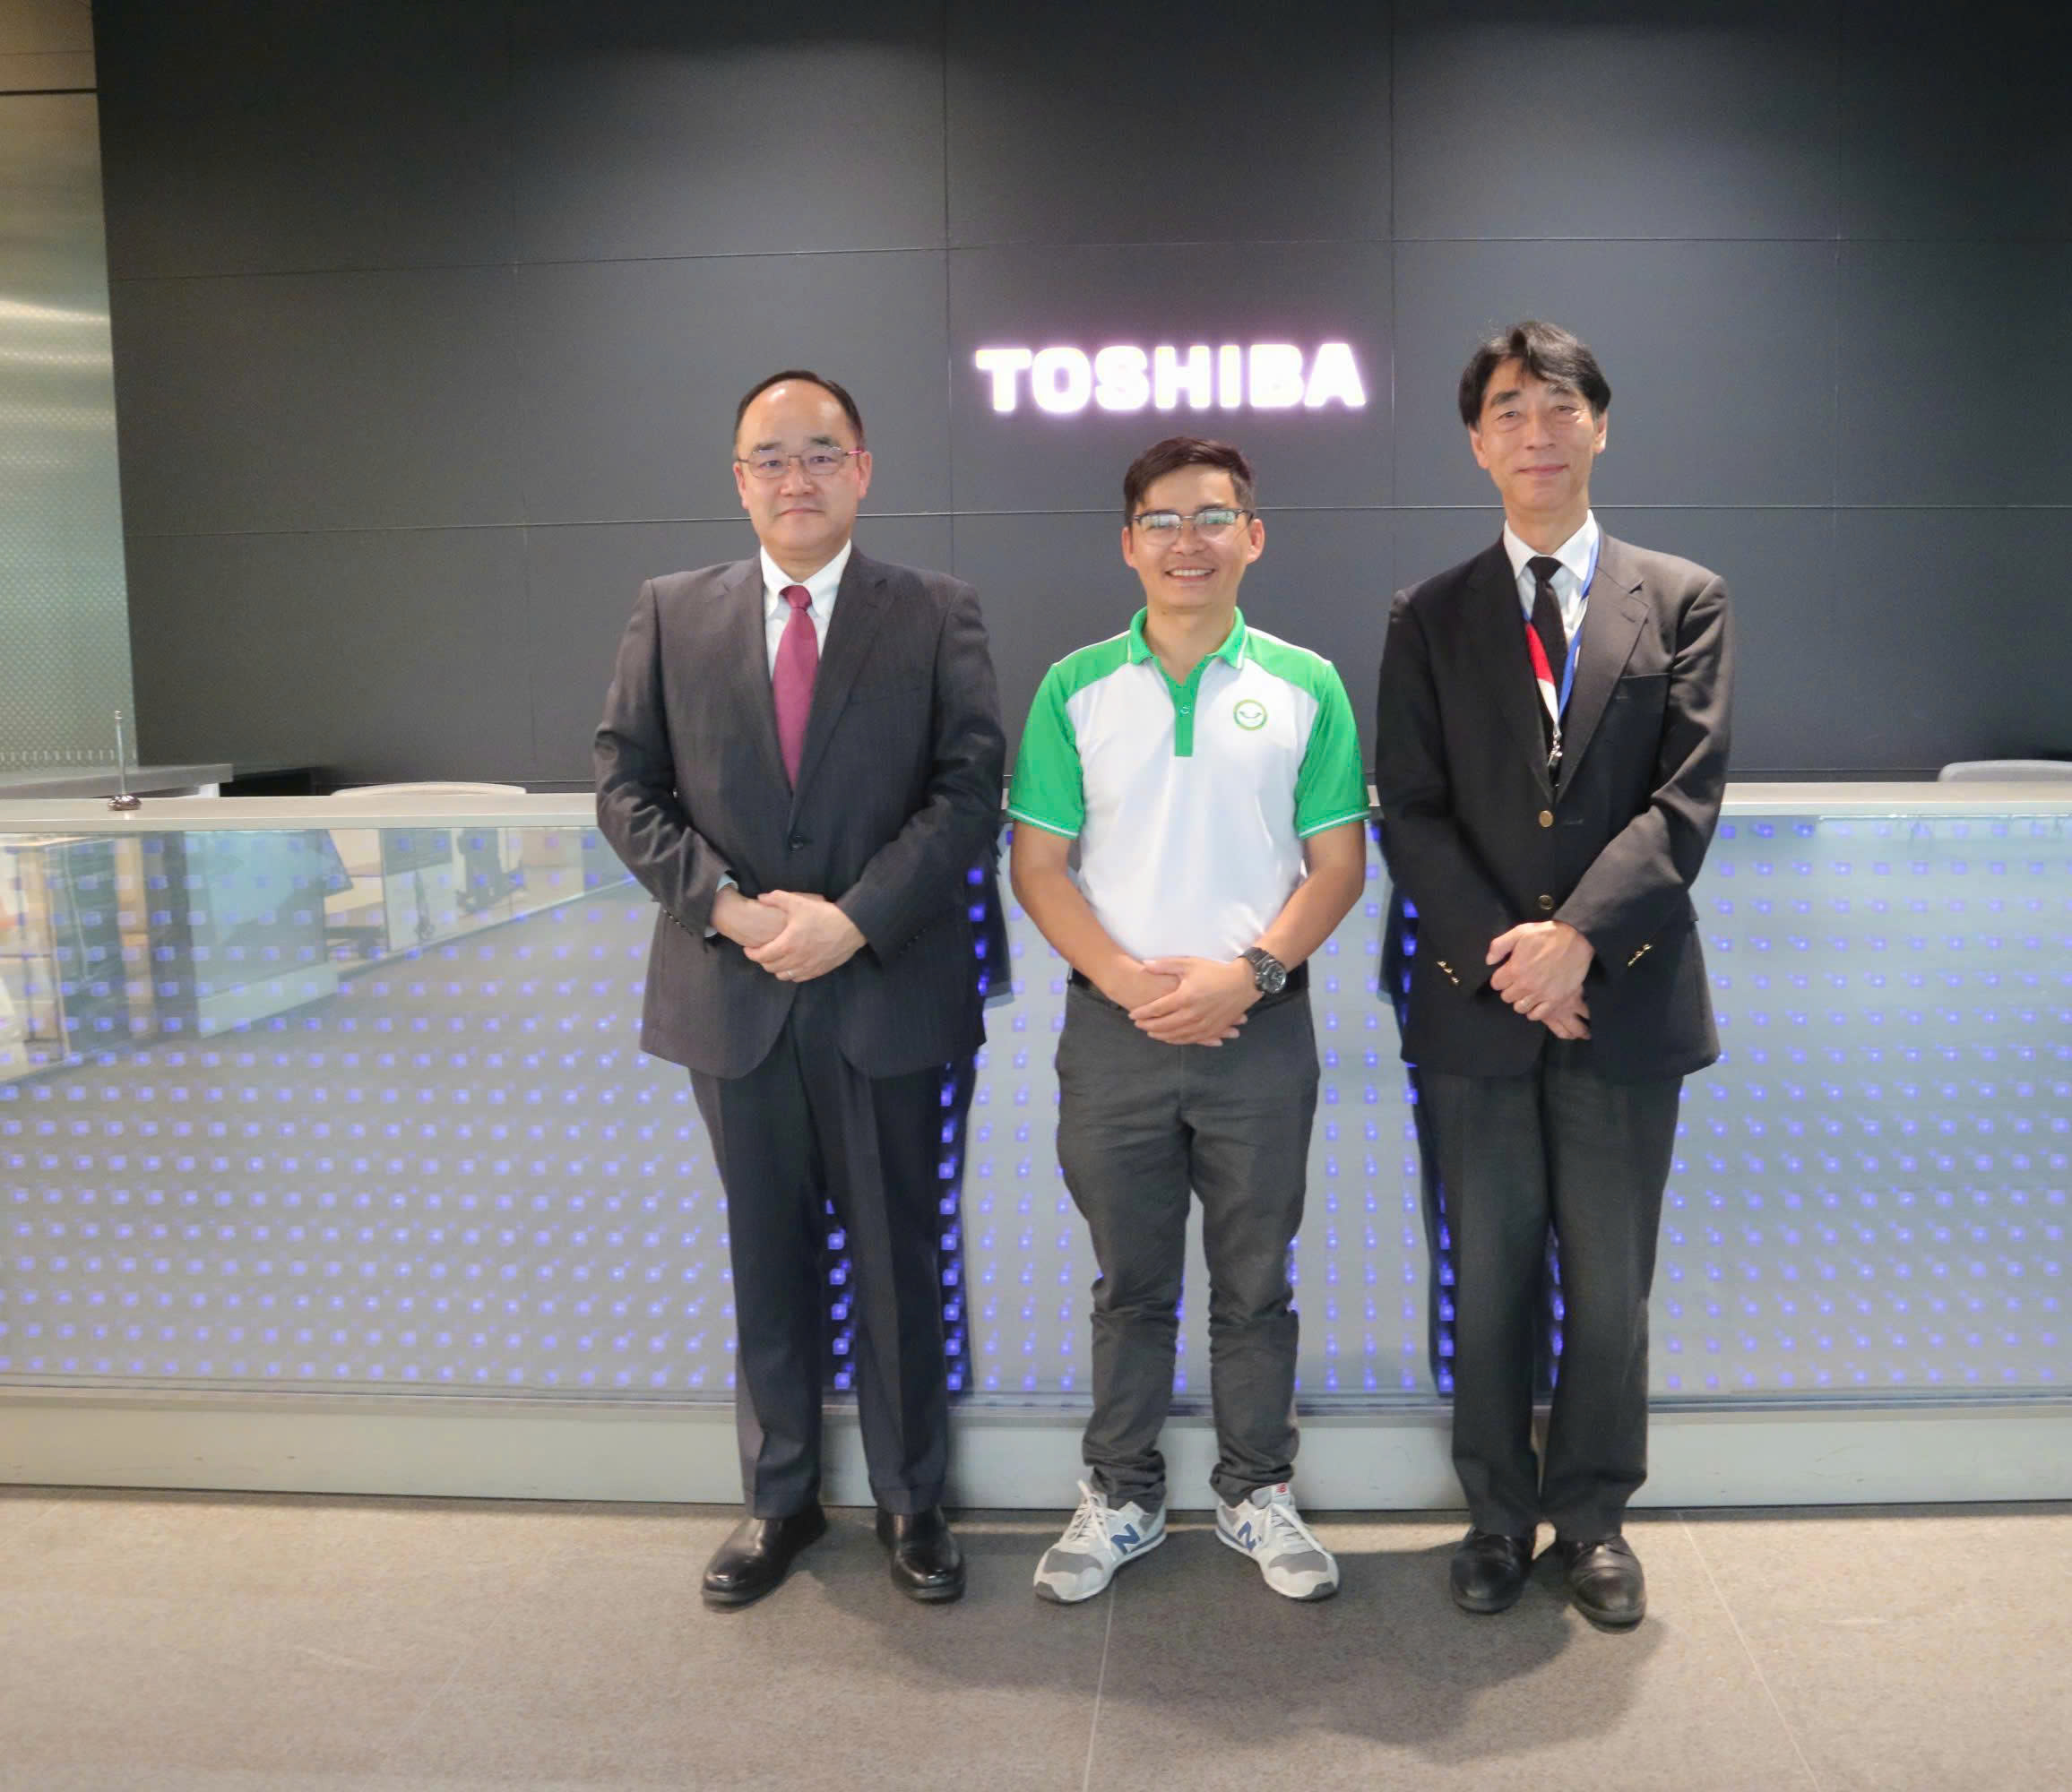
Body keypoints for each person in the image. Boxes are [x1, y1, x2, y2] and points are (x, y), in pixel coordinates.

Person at [593, 369, 1003, 1608]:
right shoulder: (672, 612)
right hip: (733, 996)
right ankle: (779, 1500)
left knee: (898, 1256)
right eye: (770, 457)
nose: (796, 477)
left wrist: (854, 919)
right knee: (766, 1257)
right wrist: (724, 906)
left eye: (822, 453)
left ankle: (912, 1500)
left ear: (862, 470)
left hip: (888, 992)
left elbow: (968, 791)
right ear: (739, 480)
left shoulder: (934, 611)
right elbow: (625, 788)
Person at [1376, 321, 1732, 1628]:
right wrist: (1512, 959)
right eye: (1510, 412)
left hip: (1623, 1001)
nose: (1537, 432)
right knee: (1489, 1273)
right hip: (1479, 1010)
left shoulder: (1683, 600)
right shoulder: (1429, 613)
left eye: (1560, 407)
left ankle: (1592, 1520)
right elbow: (1412, 810)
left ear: (1601, 425)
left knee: (1610, 1280)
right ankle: (1492, 1514)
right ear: (1478, 444)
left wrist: (1579, 939)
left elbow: (1685, 801)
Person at [1007, 437, 1368, 1604]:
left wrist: (1247, 977)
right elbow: (1039, 865)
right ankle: (1122, 1494)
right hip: (1113, 1035)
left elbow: (1338, 866)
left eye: (1213, 518)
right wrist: (1131, 984)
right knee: (1131, 1283)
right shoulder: (1074, 687)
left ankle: (1257, 1491)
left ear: (1252, 536)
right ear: (1129, 545)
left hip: (1259, 1032)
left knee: (1255, 1281)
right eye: (1161, 522)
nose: (1188, 542)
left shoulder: (1306, 684)